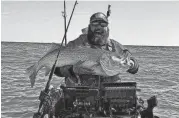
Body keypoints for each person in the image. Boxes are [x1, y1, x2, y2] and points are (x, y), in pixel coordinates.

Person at [52, 12, 139, 117]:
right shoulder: (76, 44)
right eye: (95, 24)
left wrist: (131, 64)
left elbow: (133, 64)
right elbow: (56, 69)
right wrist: (72, 70)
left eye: (103, 24)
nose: (99, 27)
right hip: (79, 101)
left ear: (107, 27)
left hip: (109, 101)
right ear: (89, 26)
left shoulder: (115, 46)